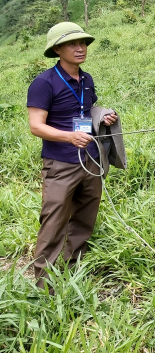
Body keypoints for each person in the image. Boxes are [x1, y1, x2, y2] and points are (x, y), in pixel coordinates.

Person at [27, 22, 118, 289]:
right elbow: (36, 126)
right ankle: (45, 284)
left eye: (83, 43)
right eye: (72, 44)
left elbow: (88, 110)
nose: (80, 48)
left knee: (85, 215)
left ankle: (72, 266)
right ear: (57, 49)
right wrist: (68, 136)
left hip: (90, 158)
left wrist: (104, 116)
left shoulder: (86, 79)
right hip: (60, 163)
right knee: (54, 220)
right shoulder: (43, 83)